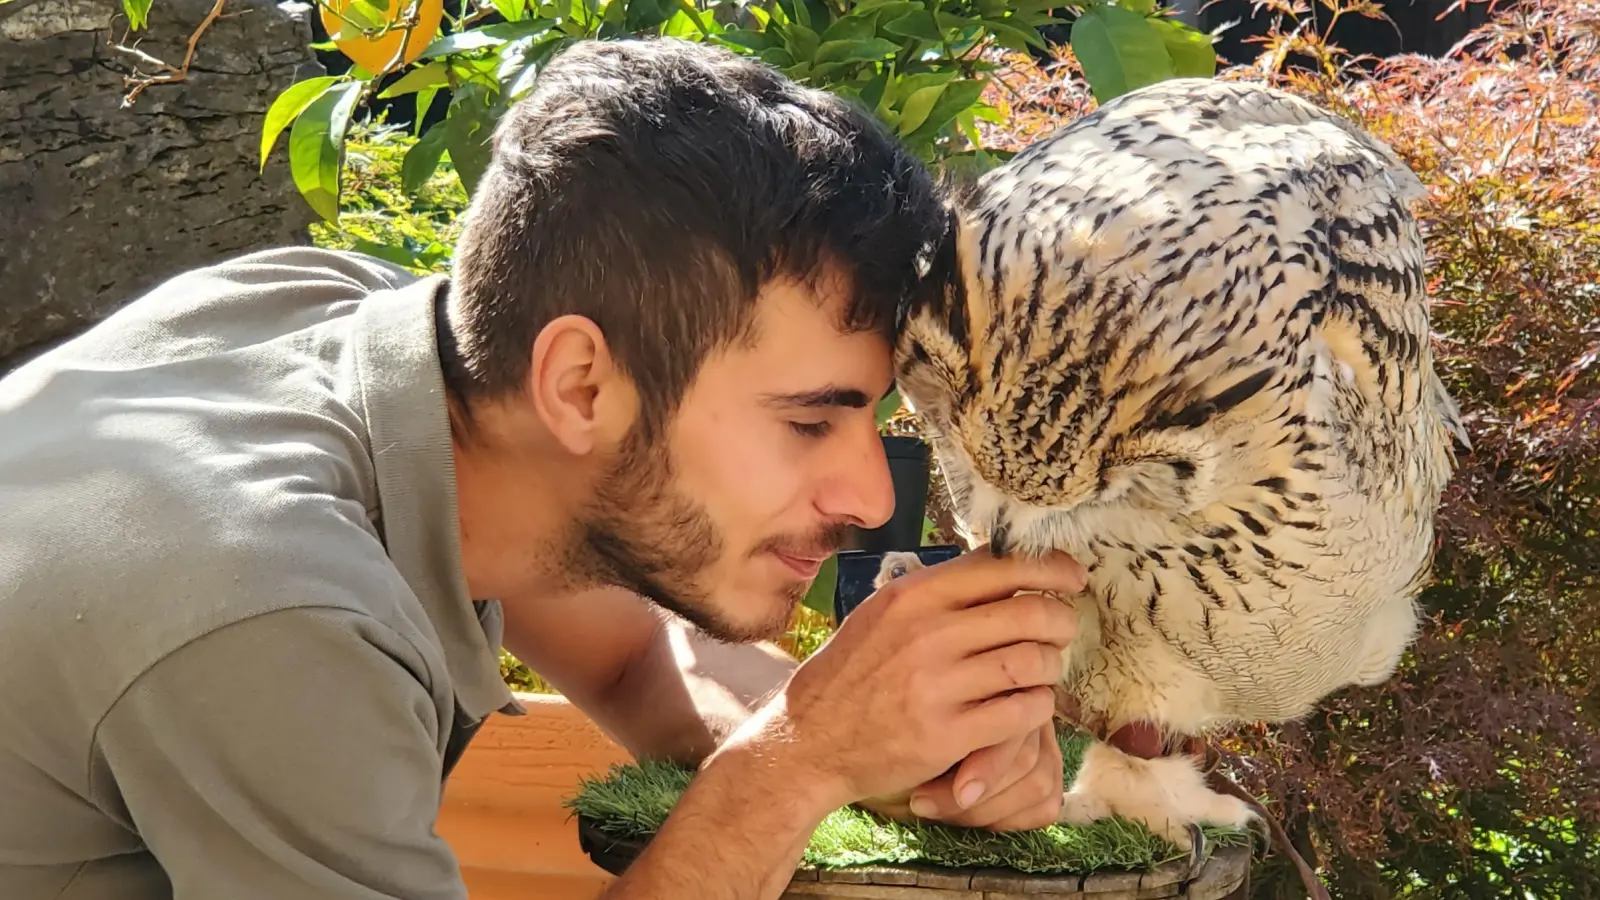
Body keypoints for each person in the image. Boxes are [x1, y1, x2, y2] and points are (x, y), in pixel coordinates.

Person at [0, 37, 1084, 900]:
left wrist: (892, 741)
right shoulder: (270, 613)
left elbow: (634, 659)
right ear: (578, 385)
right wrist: (799, 763)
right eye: (809, 422)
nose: (871, 495)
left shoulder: (367, 335)